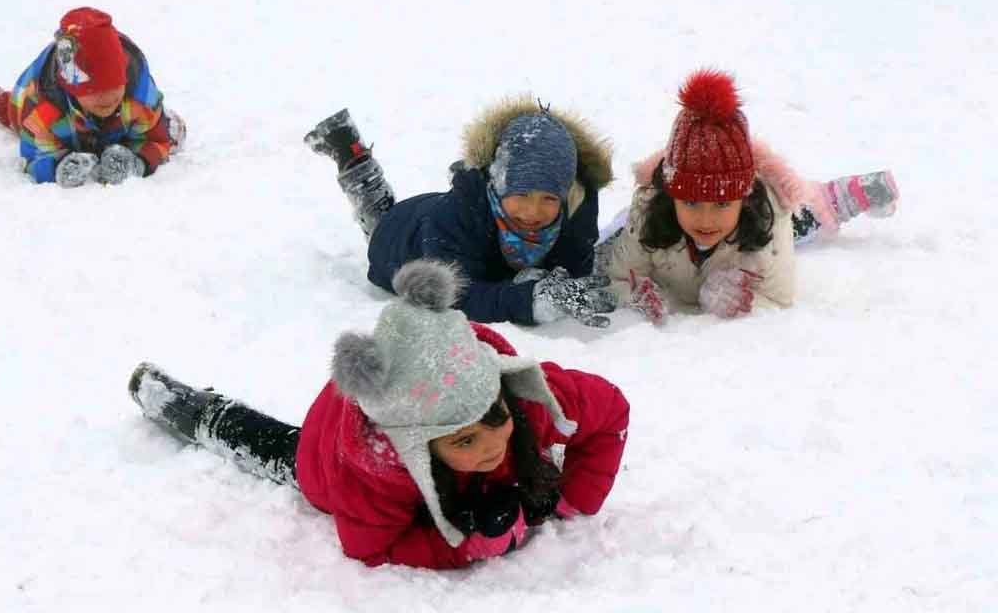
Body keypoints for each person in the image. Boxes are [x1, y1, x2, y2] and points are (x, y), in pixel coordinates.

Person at [129, 260, 630, 569]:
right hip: (329, 452)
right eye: (462, 441)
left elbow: (611, 413)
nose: (491, 445)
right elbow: (371, 548)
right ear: (419, 446)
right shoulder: (374, 471)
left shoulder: (520, 395)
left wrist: (571, 500)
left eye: (493, 419)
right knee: (279, 449)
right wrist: (464, 546)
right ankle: (189, 409)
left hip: (411, 387)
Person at [599, 69, 899, 322]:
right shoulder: (648, 210)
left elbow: (779, 297)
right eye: (690, 202)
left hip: (758, 223)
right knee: (616, 237)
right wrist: (639, 296)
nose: (705, 219)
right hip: (661, 223)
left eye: (721, 203)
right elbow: (618, 279)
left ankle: (834, 199)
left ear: (743, 197)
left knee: (800, 220)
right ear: (671, 195)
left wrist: (740, 302)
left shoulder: (768, 216)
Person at [303, 97, 617, 327]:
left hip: (445, 222)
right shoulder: (458, 215)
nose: (533, 211)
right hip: (403, 238)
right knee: (379, 218)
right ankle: (353, 157)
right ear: (497, 183)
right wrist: (528, 300)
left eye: (549, 198)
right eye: (520, 194)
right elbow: (454, 296)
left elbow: (575, 267)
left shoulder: (577, 206)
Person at [0, 7, 185, 187]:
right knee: (10, 111)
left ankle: (161, 124)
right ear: (73, 89)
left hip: (118, 126)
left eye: (113, 87)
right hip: (48, 112)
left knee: (170, 130)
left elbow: (159, 140)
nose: (107, 98)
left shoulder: (139, 98)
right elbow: (33, 157)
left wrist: (138, 161)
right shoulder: (43, 110)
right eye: (94, 91)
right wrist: (58, 167)